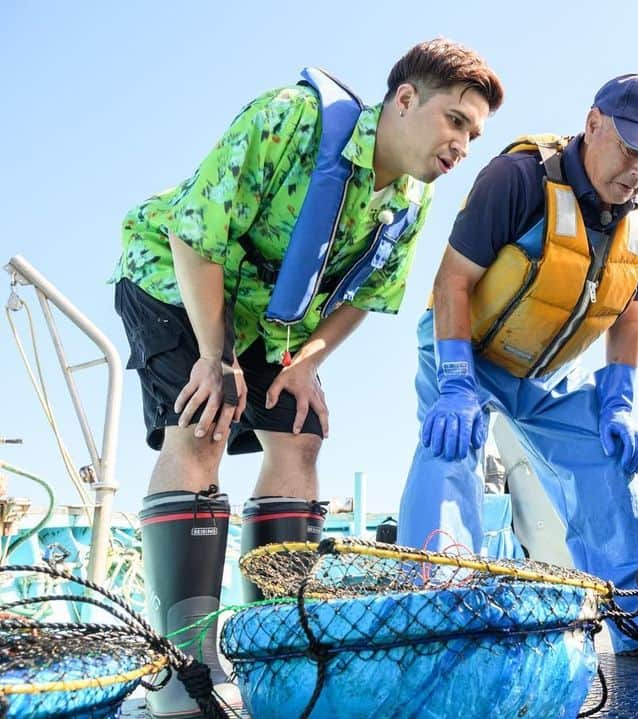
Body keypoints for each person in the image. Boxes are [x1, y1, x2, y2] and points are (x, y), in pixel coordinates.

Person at [110, 39, 502, 717]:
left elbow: (362, 296)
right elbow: (193, 235)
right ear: (404, 99)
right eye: (456, 121)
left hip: (269, 319)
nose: (463, 144)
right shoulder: (289, 118)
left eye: (474, 133)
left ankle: (277, 641)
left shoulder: (410, 199)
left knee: (302, 430)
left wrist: (308, 363)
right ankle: (184, 669)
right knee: (207, 416)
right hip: (175, 279)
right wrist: (215, 354)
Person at [396, 73, 638, 655]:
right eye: (630, 147)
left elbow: (629, 315)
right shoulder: (519, 177)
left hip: (549, 373)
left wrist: (620, 401)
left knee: (605, 462)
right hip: (467, 352)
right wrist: (455, 384)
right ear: (594, 122)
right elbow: (452, 282)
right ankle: (440, 613)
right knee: (452, 444)